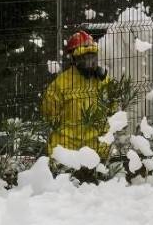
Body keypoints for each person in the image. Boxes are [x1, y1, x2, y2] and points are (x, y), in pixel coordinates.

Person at [42, 30, 113, 163]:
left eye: (92, 56)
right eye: (85, 57)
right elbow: (50, 114)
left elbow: (113, 107)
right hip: (68, 150)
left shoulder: (103, 80)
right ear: (74, 58)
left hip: (95, 148)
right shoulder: (60, 84)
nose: (90, 62)